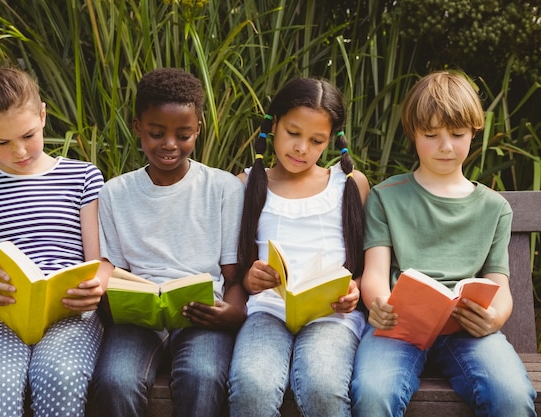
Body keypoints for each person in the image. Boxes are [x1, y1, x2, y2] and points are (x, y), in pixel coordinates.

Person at [350, 71, 537, 417]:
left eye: (457, 134)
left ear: (473, 132)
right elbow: (375, 272)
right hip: (399, 324)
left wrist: (494, 318)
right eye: (431, 135)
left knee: (511, 396)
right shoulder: (386, 196)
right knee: (373, 394)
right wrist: (379, 303)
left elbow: (500, 285)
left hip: (466, 328)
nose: (446, 146)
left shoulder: (494, 208)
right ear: (413, 133)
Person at [0, 67, 112, 417]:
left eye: (28, 135)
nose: (20, 151)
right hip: (2, 314)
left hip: (70, 312)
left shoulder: (83, 176)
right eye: (2, 142)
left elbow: (100, 260)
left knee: (61, 375)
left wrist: (97, 284)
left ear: (42, 114)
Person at [91, 67, 247, 417]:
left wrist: (234, 313)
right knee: (115, 380)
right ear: (137, 127)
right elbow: (113, 270)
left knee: (203, 376)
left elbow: (233, 275)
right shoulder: (116, 192)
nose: (170, 145)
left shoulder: (223, 189)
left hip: (202, 315)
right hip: (139, 319)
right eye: (156, 133)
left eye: (184, 134)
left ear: (198, 129)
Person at [227, 77, 370, 417]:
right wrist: (251, 279)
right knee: (251, 385)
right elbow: (236, 273)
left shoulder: (349, 184)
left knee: (322, 385)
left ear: (331, 141)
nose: (301, 148)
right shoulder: (245, 185)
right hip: (268, 310)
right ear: (274, 124)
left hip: (332, 314)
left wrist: (355, 290)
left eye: (316, 140)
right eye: (293, 133)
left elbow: (367, 266)